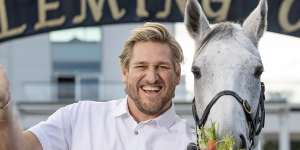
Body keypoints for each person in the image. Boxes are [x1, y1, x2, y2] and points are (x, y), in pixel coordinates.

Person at [0, 22, 195, 150]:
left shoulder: (195, 142)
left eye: (162, 67)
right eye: (141, 66)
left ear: (177, 75)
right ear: (125, 72)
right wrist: (4, 103)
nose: (152, 77)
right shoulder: (79, 117)